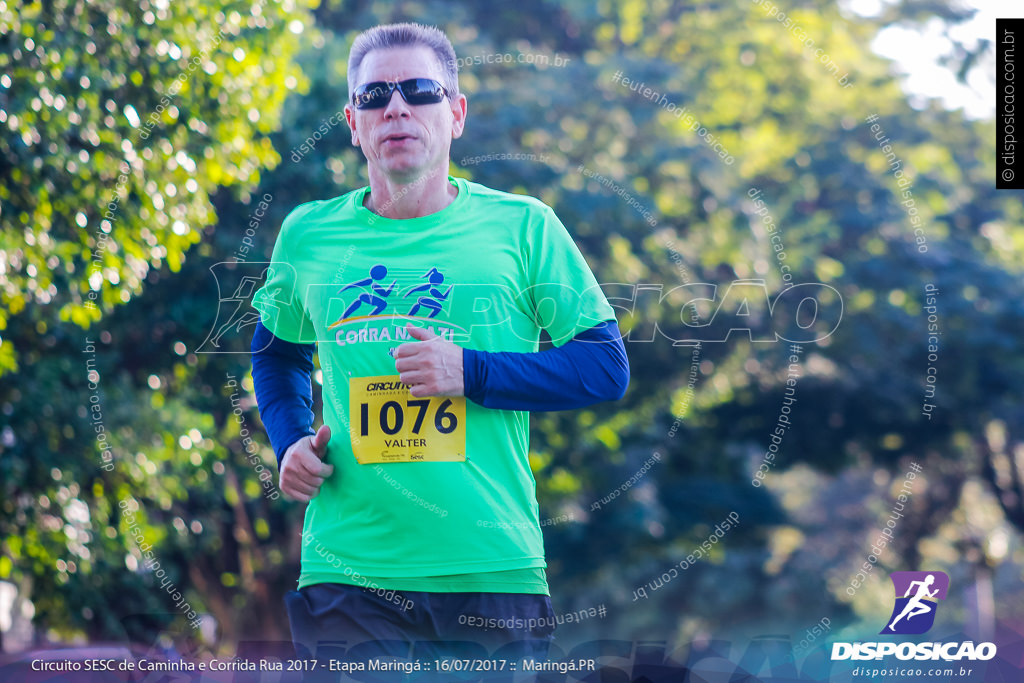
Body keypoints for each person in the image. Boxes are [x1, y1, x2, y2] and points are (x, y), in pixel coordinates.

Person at [250, 22, 629, 672]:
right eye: (374, 97)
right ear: (353, 122)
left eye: (419, 91)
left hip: (491, 568)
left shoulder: (523, 226)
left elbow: (604, 368)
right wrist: (287, 438)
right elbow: (277, 351)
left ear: (455, 113)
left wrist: (470, 371)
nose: (395, 107)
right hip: (350, 568)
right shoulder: (309, 235)